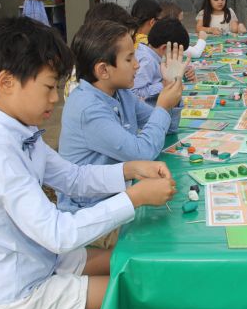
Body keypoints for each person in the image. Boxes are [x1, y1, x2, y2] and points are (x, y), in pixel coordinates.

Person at [0, 16, 177, 309]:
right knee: (136, 288)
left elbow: (73, 176)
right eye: (49, 87)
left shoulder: (20, 131)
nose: (54, 98)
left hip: (43, 259)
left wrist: (131, 168)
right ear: (6, 82)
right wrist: (135, 197)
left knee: (131, 261)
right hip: (20, 291)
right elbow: (57, 233)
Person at [56, 20, 185, 216]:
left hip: (118, 196)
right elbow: (142, 154)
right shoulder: (88, 109)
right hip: (91, 211)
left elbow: (168, 127)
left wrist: (171, 87)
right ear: (103, 70)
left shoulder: (119, 93)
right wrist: (163, 105)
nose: (137, 65)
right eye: (129, 58)